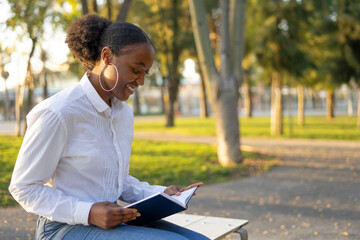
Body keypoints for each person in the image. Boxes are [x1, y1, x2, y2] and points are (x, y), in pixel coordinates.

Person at [9, 14, 209, 240]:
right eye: (136, 70)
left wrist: (162, 194)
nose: (141, 81)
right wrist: (89, 212)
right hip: (63, 227)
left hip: (113, 219)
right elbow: (24, 187)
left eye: (146, 73)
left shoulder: (123, 113)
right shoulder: (58, 112)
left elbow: (117, 181)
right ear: (106, 56)